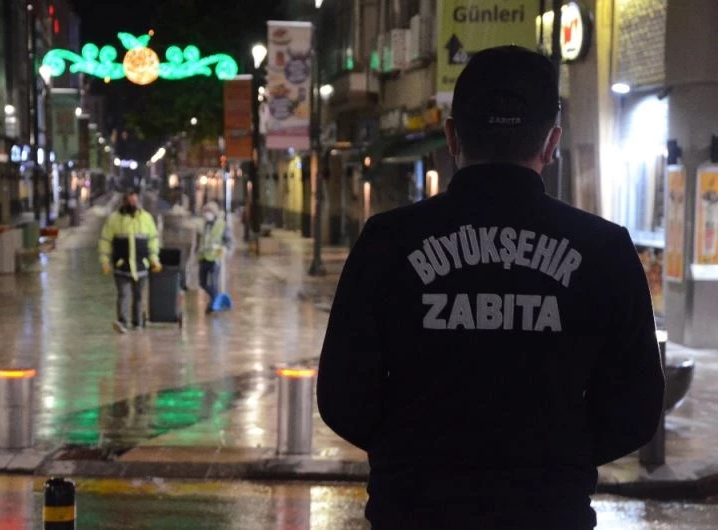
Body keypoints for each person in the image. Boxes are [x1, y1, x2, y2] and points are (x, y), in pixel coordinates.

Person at [317, 46, 664, 530]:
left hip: (413, 510)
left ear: (451, 136)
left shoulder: (387, 242)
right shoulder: (604, 249)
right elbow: (637, 408)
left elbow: (341, 397)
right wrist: (558, 455)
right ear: (552, 142)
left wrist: (409, 451)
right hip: (549, 512)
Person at [99, 190, 161, 333]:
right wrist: (105, 261)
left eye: (135, 201)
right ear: (124, 202)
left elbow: (153, 241)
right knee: (124, 295)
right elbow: (105, 241)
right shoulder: (114, 219)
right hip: (122, 266)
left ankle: (138, 322)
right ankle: (123, 322)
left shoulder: (146, 218)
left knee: (139, 296)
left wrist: (154, 260)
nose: (133, 204)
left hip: (141, 265)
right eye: (130, 201)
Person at [195, 201, 232, 314]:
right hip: (203, 257)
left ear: (214, 213)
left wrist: (224, 249)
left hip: (215, 259)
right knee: (202, 283)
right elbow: (198, 242)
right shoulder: (201, 225)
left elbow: (229, 241)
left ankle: (212, 305)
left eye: (209, 211)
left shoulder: (221, 225)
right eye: (205, 211)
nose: (207, 214)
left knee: (213, 283)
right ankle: (215, 298)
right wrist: (195, 255)